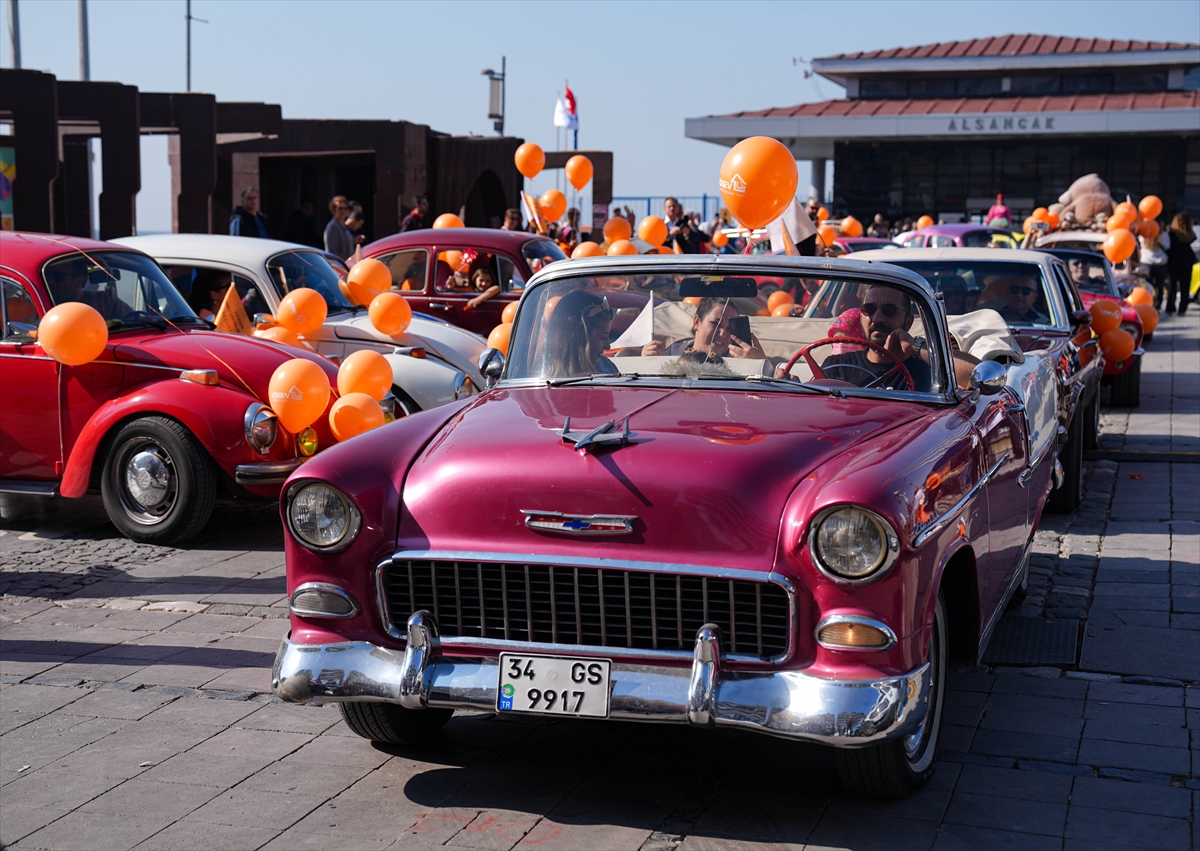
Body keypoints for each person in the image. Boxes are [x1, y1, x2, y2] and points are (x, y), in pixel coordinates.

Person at [816, 286, 934, 391]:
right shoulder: (836, 366)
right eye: (869, 309)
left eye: (889, 310)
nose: (877, 318)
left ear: (908, 322)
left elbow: (951, 371)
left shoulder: (926, 370)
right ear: (861, 317)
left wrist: (915, 347)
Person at [640, 297, 766, 363]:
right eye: (715, 324)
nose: (722, 333)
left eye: (729, 328)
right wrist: (646, 361)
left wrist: (760, 363)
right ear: (696, 322)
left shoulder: (741, 360)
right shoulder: (669, 353)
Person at [542, 290, 620, 377]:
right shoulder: (540, 380)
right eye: (603, 337)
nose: (608, 346)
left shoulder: (608, 367)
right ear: (578, 339)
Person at [980, 275, 1049, 325]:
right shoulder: (992, 317)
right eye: (1014, 289)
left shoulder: (1042, 323)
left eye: (1025, 291)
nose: (1019, 294)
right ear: (1007, 293)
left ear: (1034, 297)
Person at [1166, 212, 1196, 316]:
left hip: (1174, 260)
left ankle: (1170, 306)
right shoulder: (1190, 234)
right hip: (1187, 260)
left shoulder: (1172, 233)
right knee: (1185, 286)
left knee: (1172, 285)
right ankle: (1182, 308)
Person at [1138, 228, 1169, 310]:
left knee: (1148, 285)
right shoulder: (1163, 235)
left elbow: (1140, 243)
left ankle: (1149, 303)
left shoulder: (1143, 234)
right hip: (1161, 262)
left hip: (1146, 262)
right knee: (1159, 285)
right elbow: (1167, 246)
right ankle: (1158, 305)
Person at [324, 196, 355, 260]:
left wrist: (354, 240)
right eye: (340, 208)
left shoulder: (345, 226)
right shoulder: (332, 227)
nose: (343, 211)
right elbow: (331, 251)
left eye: (345, 208)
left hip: (348, 265)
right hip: (339, 266)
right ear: (334, 210)